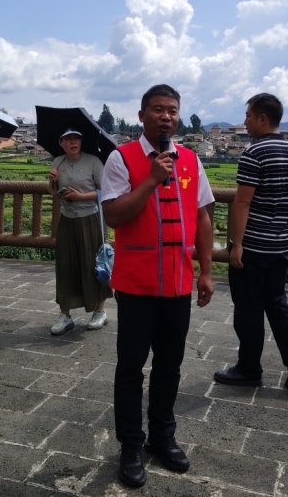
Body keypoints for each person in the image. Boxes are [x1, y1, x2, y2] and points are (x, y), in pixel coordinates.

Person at [101, 84, 214, 488]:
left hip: (179, 283)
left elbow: (203, 216)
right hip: (136, 283)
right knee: (131, 367)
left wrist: (206, 271)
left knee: (170, 364)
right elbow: (114, 215)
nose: (166, 117)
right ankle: (131, 444)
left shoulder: (190, 160)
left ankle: (162, 436)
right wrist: (150, 180)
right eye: (157, 109)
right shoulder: (121, 158)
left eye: (172, 110)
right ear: (141, 115)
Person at [213, 93, 288, 390]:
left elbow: (242, 203)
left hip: (254, 247)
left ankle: (249, 369)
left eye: (248, 116)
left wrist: (237, 244)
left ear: (262, 118)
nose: (244, 122)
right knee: (278, 305)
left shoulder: (254, 153)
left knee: (248, 310)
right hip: (280, 244)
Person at [46, 129, 110, 335]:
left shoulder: (93, 162)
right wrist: (52, 181)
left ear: (81, 141)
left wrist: (81, 197)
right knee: (66, 266)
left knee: (93, 265)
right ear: (61, 142)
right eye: (68, 139)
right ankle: (65, 315)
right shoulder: (58, 162)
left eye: (76, 138)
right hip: (67, 219)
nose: (73, 142)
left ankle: (99, 311)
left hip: (90, 219)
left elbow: (106, 190)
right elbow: (52, 191)